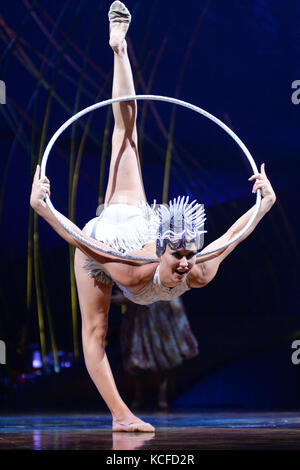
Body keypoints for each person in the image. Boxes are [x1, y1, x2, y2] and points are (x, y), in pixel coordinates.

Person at [30, 1, 276, 432]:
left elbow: (236, 234)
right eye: (178, 255)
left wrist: (264, 204)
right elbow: (82, 243)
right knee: (96, 331)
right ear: (162, 251)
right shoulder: (134, 273)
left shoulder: (198, 269)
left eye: (188, 255)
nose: (185, 264)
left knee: (128, 134)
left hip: (139, 219)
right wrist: (44, 208)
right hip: (104, 239)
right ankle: (120, 416)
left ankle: (119, 48)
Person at [111, 290, 199, 411]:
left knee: (161, 354)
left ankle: (161, 397)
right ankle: (138, 397)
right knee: (136, 356)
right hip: (139, 313)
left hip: (158, 311)